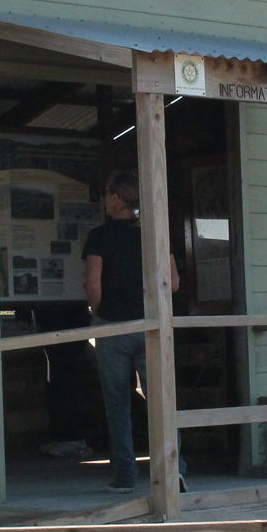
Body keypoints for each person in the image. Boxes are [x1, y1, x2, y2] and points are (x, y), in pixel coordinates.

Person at [81, 171, 181, 493]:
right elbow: (174, 282)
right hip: (151, 323)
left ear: (117, 198)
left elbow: (93, 283)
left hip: (114, 326)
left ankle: (125, 476)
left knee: (117, 403)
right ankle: (174, 473)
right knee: (162, 401)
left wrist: (98, 312)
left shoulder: (99, 237)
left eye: (108, 194)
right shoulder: (154, 233)